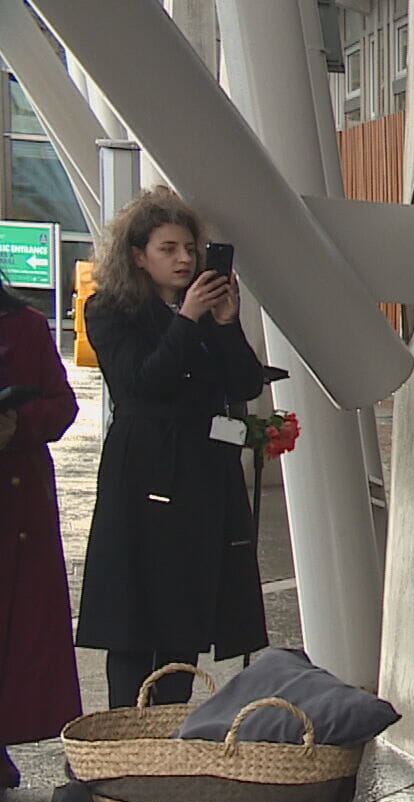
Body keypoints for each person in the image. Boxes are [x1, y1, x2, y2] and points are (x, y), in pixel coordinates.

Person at [75, 187, 268, 708]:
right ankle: (127, 731)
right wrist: (185, 321)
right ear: (138, 256)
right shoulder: (111, 310)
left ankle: (172, 727)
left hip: (202, 471)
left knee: (186, 608)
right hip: (143, 469)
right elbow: (139, 384)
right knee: (134, 614)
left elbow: (245, 383)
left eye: (189, 248)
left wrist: (226, 325)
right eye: (168, 249)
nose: (184, 259)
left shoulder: (208, 311)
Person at [0, 274, 82, 786]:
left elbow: (62, 404)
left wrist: (17, 424)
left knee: (16, 631)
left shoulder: (26, 327)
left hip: (16, 505)